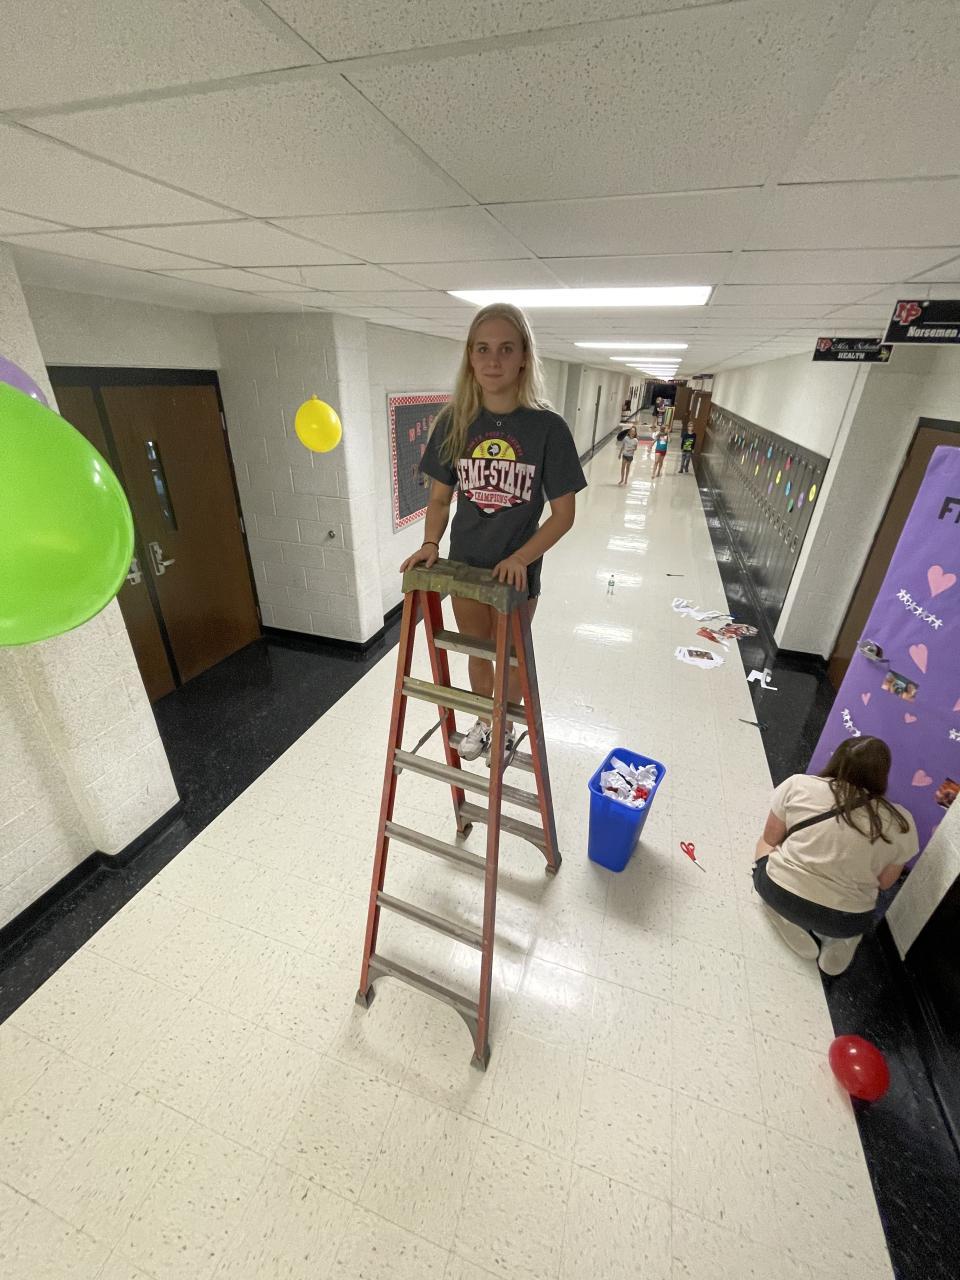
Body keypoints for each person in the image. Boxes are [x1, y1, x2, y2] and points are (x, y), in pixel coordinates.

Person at [402, 304, 587, 764]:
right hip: (465, 565)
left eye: (506, 349)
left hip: (515, 572)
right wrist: (430, 544)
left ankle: (504, 725)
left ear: (524, 357)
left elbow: (563, 514)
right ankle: (484, 722)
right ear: (470, 356)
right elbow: (440, 500)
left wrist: (522, 557)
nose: (493, 360)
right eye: (482, 349)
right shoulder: (454, 421)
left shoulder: (548, 428)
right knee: (478, 650)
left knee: (511, 655)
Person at [753, 737, 918, 975]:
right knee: (855, 908)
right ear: (883, 775)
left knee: (763, 845)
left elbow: (771, 838)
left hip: (781, 893)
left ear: (837, 759)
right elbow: (884, 883)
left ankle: (780, 914)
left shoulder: (798, 785)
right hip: (848, 920)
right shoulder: (902, 823)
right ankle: (843, 941)